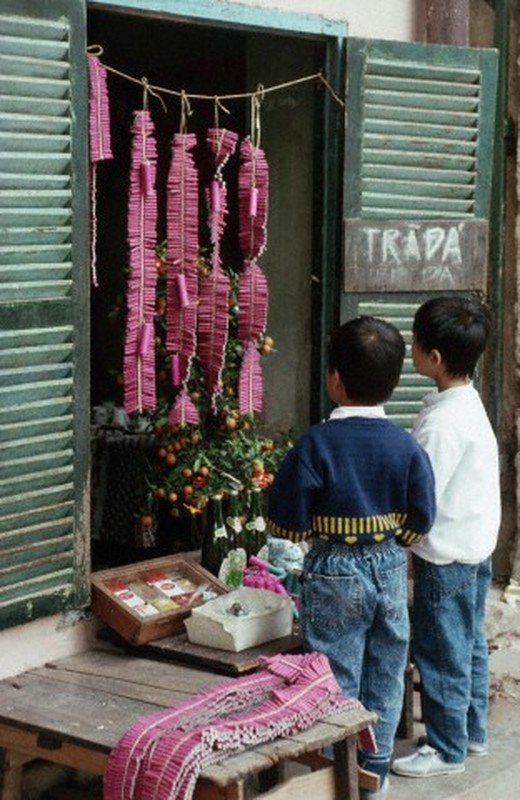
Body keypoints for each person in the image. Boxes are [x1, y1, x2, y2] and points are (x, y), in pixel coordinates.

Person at [267, 316, 436, 799]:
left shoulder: (315, 443)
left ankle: (335, 778)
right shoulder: (406, 445)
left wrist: (302, 534)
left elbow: (287, 521)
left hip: (333, 569)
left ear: (334, 378)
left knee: (335, 674)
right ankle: (374, 780)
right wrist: (389, 539)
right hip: (387, 566)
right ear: (392, 382)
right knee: (386, 670)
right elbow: (422, 517)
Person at [391, 295, 501, 779]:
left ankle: (445, 747)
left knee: (441, 651)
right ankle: (471, 731)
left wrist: (396, 536)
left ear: (432, 357)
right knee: (470, 643)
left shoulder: (442, 424)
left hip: (447, 557)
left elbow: (422, 495)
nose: (410, 348)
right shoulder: (466, 402)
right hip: (476, 546)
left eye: (415, 342)